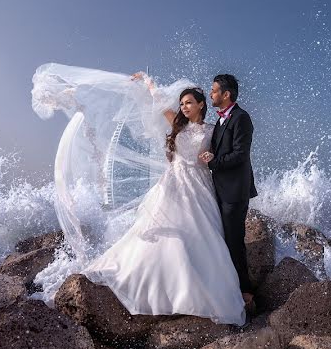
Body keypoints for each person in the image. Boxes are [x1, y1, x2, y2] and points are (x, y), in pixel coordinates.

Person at [80, 74, 247, 326]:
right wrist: (148, 83)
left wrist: (212, 159)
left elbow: (225, 154)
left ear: (201, 104)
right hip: (173, 184)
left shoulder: (214, 131)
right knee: (163, 234)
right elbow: (158, 102)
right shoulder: (177, 125)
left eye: (189, 102)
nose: (184, 107)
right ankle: (152, 283)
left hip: (200, 185)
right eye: (182, 104)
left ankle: (197, 291)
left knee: (200, 236)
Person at [198, 74, 258, 312]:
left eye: (213, 91)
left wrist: (213, 161)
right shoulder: (222, 121)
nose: (210, 94)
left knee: (234, 241)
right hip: (220, 189)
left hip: (235, 191)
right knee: (223, 239)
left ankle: (247, 293)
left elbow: (240, 155)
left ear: (226, 95)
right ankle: (229, 288)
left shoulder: (241, 118)